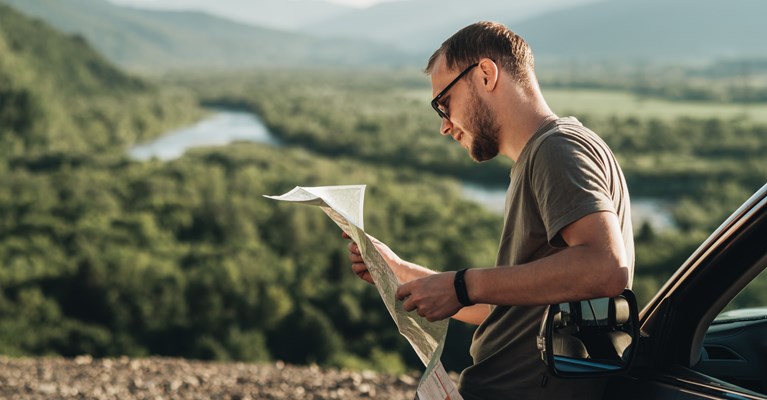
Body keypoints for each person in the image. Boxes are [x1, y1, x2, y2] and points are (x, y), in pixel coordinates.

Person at [346, 21, 634, 400]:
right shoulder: (545, 155)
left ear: (485, 74)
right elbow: (517, 309)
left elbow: (606, 269)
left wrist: (461, 285)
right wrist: (403, 274)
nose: (444, 127)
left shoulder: (557, 149)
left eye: (443, 104)